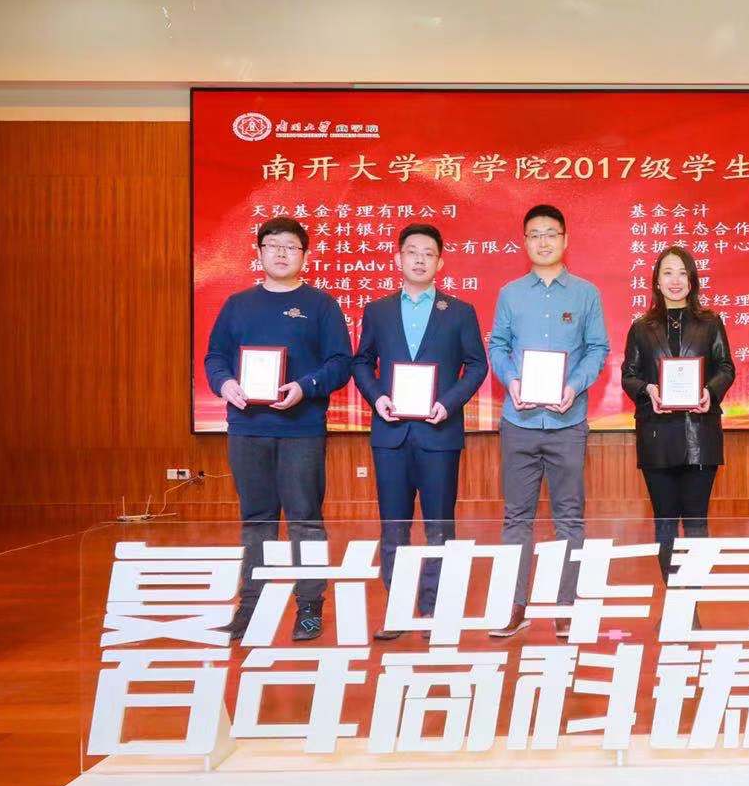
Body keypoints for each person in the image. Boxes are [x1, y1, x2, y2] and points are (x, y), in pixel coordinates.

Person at [203, 216, 352, 643]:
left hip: (301, 430)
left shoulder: (321, 305)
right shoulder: (238, 305)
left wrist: (305, 387)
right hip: (247, 429)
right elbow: (215, 357)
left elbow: (340, 363)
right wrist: (225, 384)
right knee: (256, 521)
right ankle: (251, 609)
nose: (282, 252)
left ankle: (310, 608)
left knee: (306, 521)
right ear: (260, 252)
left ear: (304, 255)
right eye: (273, 244)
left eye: (291, 246)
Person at [351, 223, 488, 640]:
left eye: (429, 253)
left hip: (439, 433)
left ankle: (432, 610)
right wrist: (377, 398)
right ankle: (397, 610)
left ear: (440, 262)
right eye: (412, 252)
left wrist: (449, 402)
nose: (420, 259)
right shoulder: (378, 311)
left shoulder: (459, 312)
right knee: (393, 526)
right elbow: (362, 362)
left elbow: (477, 365)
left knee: (439, 527)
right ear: (399, 258)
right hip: (390, 433)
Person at [487, 204, 610, 637]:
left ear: (565, 239)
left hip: (567, 422)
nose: (543, 241)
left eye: (551, 233)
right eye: (535, 234)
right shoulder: (510, 294)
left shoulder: (586, 294)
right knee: (516, 518)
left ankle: (565, 606)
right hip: (519, 421)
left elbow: (597, 349)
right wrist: (512, 380)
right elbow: (498, 345)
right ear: (525, 242)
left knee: (569, 518)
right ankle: (514, 605)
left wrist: (573, 386)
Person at [620, 246, 736, 581]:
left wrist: (709, 392)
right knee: (665, 521)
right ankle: (674, 596)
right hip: (657, 435)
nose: (675, 280)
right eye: (668, 273)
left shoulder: (710, 323)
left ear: (692, 280)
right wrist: (648, 390)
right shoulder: (641, 327)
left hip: (699, 434)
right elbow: (629, 375)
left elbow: (726, 367)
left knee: (697, 521)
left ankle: (692, 599)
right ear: (656, 281)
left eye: (683, 273)